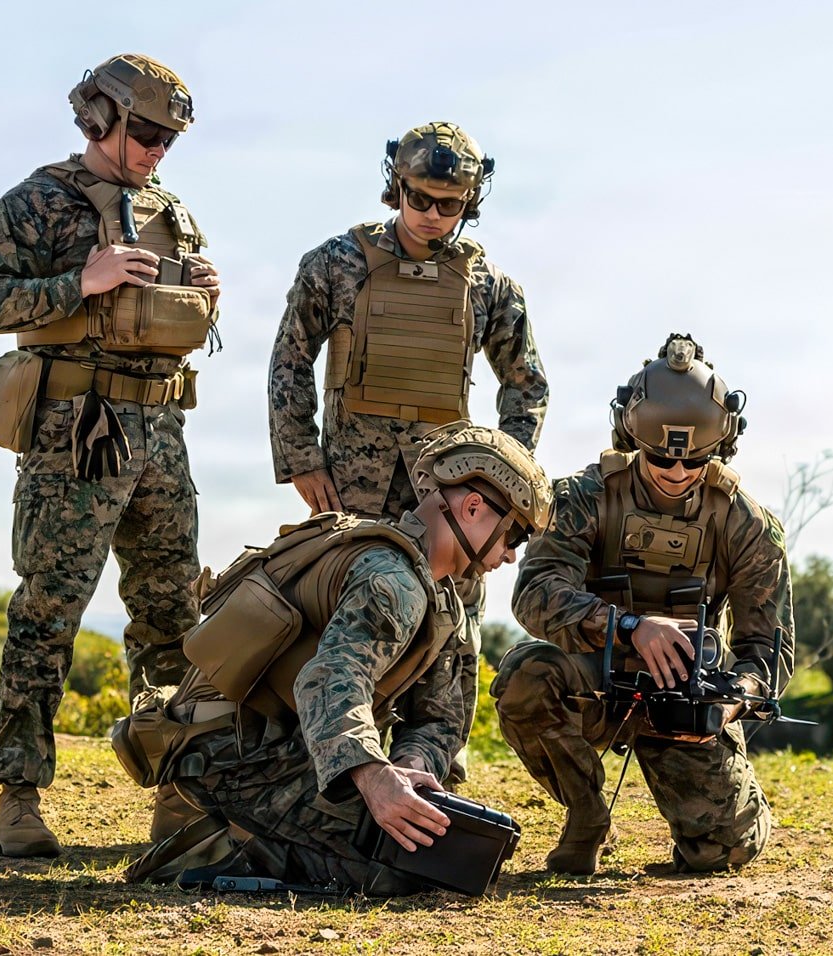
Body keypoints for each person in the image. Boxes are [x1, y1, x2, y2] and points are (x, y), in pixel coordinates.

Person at [0, 54, 221, 857]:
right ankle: (21, 797)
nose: (156, 151)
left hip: (160, 438)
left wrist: (203, 290)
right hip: (74, 433)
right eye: (145, 132)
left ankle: (176, 788)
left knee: (174, 617)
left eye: (169, 138)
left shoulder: (171, 210)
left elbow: (181, 317)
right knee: (49, 611)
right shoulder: (36, 201)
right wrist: (83, 280)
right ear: (101, 118)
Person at [124, 425, 551, 895]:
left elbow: (440, 721)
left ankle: (238, 828)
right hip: (234, 752)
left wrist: (410, 763)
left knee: (434, 844)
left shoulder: (442, 602)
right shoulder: (391, 581)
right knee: (409, 870)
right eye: (514, 535)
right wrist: (374, 777)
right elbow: (328, 680)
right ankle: (224, 843)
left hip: (287, 749)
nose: (511, 556)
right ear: (473, 508)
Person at [266, 121, 548, 781]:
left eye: (449, 204)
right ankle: (338, 765)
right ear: (397, 186)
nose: (432, 215)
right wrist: (300, 456)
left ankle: (433, 765)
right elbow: (290, 357)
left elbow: (527, 384)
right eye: (419, 198)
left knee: (453, 628)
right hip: (350, 488)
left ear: (469, 202)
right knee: (348, 617)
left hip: (452, 501)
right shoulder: (335, 264)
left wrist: (505, 476)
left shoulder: (488, 286)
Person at [492, 333, 795, 876]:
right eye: (660, 458)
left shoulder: (745, 524)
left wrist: (731, 700)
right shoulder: (583, 496)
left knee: (724, 852)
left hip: (683, 702)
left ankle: (730, 804)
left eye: (695, 460)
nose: (676, 473)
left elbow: (767, 651)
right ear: (632, 435)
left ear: (720, 446)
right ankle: (586, 814)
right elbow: (534, 593)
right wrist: (628, 627)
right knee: (524, 675)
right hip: (593, 679)